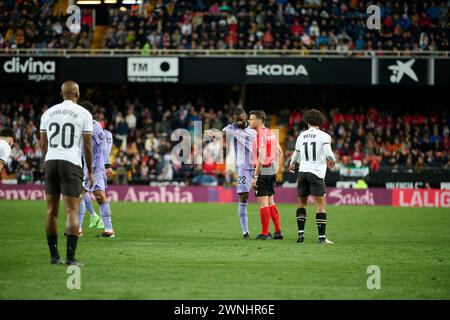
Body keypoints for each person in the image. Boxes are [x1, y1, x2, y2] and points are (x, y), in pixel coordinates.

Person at [40, 81, 94, 266]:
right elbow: (87, 145)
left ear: (61, 93)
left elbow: (43, 144)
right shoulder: (84, 113)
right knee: (72, 210)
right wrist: (90, 171)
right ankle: (71, 258)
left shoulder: (48, 113)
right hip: (71, 162)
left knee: (51, 211)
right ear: (77, 94)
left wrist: (45, 162)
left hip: (51, 161)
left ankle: (54, 256)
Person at [207, 108, 256, 239]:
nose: (239, 122)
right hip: (243, 166)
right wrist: (213, 135)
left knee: (265, 197)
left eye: (241, 119)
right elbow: (222, 133)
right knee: (243, 196)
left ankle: (268, 231)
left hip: (259, 165)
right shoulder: (231, 128)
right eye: (237, 120)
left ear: (246, 117)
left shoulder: (254, 127)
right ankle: (245, 232)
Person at [289, 109, 336, 244]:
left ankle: (300, 234)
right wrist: (333, 159)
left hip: (302, 172)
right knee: (320, 205)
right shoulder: (324, 136)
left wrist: (292, 164)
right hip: (316, 173)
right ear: (320, 122)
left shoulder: (301, 136)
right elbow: (328, 153)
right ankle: (321, 238)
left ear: (307, 121)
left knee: (301, 204)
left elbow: (296, 154)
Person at [78, 101, 115, 238]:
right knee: (99, 196)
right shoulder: (80, 126)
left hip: (96, 166)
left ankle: (78, 229)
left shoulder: (95, 126)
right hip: (87, 165)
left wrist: (107, 165)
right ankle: (109, 230)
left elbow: (103, 146)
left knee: (79, 193)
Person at [249, 110, 283, 240]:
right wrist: (274, 170)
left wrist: (256, 177)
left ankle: (264, 233)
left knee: (263, 202)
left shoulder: (259, 135)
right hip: (271, 170)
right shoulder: (271, 133)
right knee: (271, 201)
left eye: (252, 119)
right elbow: (280, 153)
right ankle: (278, 231)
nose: (250, 121)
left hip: (262, 171)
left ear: (259, 120)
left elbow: (261, 157)